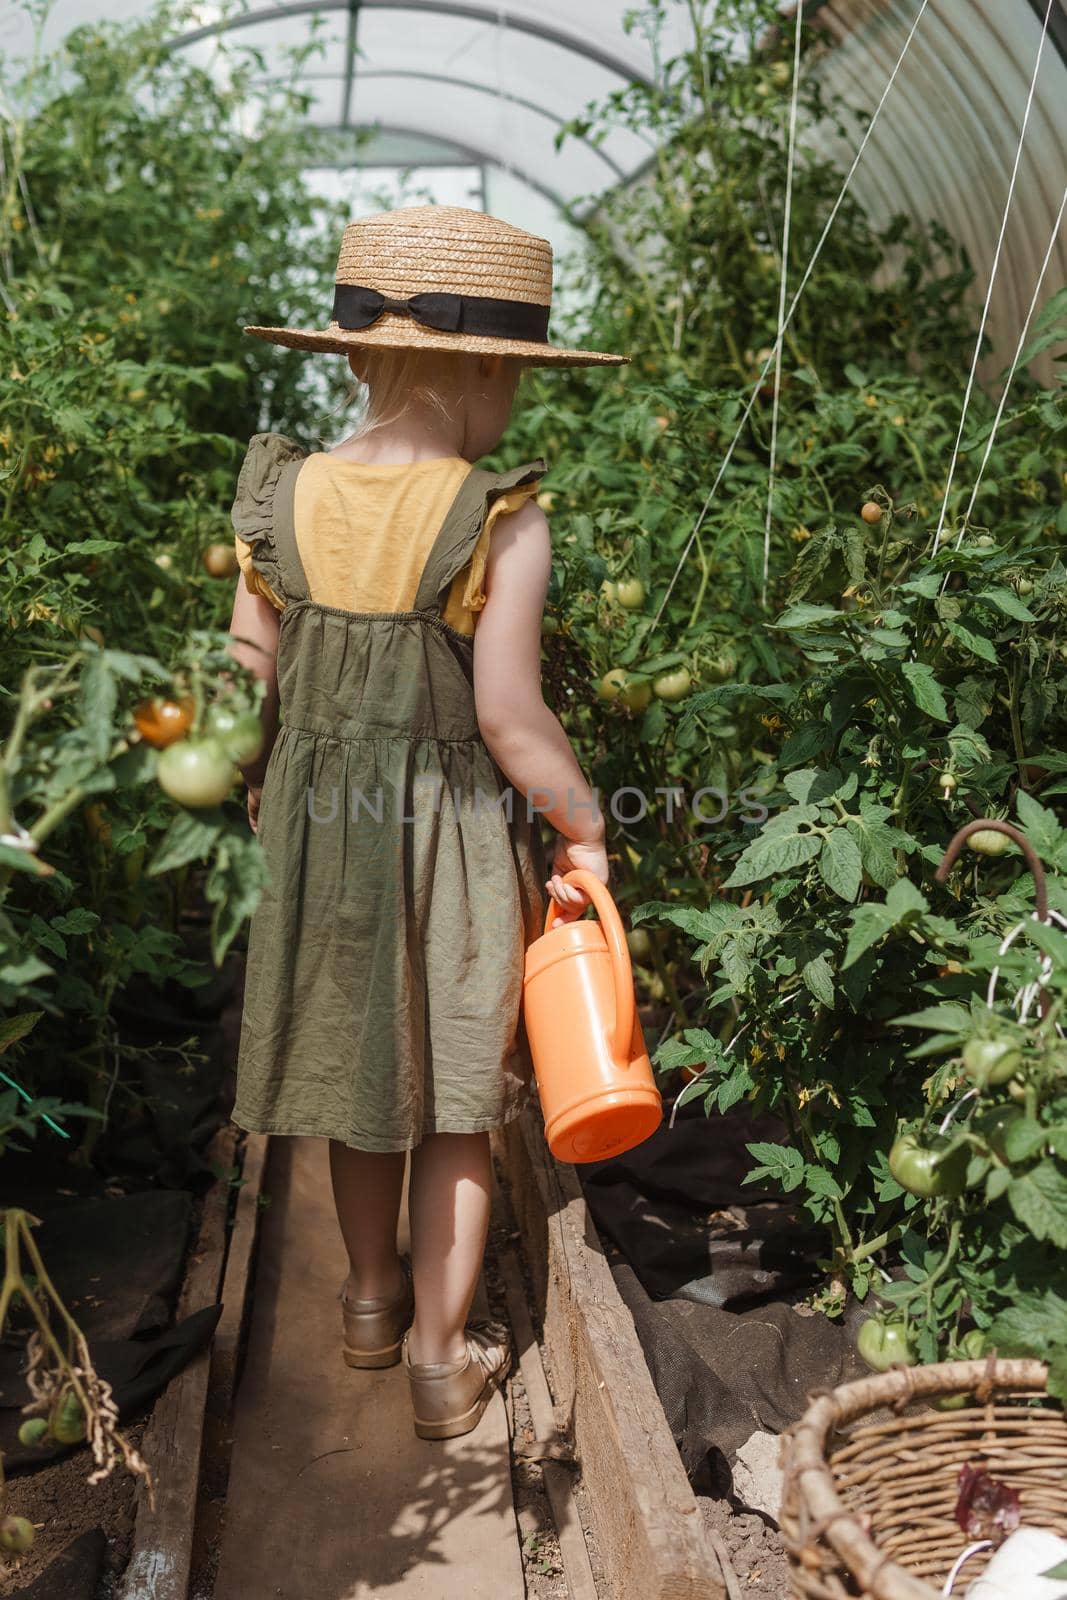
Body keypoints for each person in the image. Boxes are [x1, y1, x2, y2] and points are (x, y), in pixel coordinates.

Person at [226, 205, 627, 1440]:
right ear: (494, 371)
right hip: (445, 838)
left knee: (361, 1080)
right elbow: (508, 715)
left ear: (353, 357)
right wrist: (586, 828)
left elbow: (248, 669)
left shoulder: (279, 492)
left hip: (314, 827)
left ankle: (364, 1301)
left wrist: (255, 787)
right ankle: (442, 1362)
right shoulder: (500, 514)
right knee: (455, 1096)